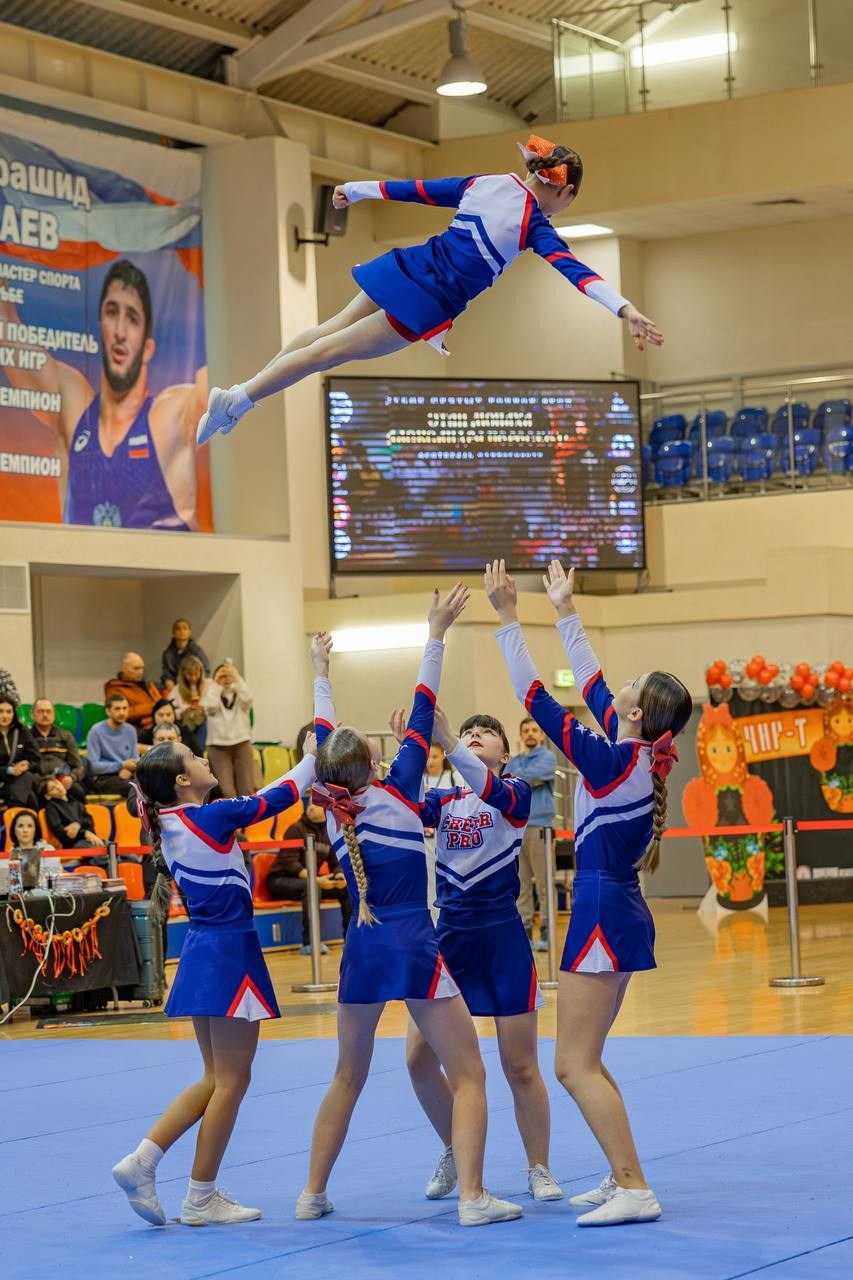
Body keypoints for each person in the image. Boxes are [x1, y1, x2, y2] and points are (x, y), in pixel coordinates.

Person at [297, 591, 522, 1228]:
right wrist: (436, 630)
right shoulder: (399, 790)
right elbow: (423, 704)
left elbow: (322, 739)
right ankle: (474, 1198)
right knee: (470, 1072)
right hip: (417, 944)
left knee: (347, 1075)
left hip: (362, 948)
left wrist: (320, 672)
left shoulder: (333, 812)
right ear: (376, 761)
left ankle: (310, 1193)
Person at [197, 134, 663, 442]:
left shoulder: (485, 183)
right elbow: (577, 272)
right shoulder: (534, 225)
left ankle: (241, 395)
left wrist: (358, 189)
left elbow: (418, 188)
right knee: (328, 353)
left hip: (409, 266)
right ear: (566, 193)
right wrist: (625, 309)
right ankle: (237, 399)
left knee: (327, 331)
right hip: (425, 301)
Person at [485, 558, 692, 1227]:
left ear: (633, 713)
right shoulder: (630, 752)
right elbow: (595, 680)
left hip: (603, 908)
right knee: (588, 1056)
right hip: (614, 904)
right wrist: (565, 607)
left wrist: (508, 618)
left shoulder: (609, 761)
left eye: (625, 690)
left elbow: (535, 698)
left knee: (571, 1064)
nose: (611, 691)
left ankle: (634, 1186)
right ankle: (618, 1172)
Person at [112, 736, 319, 1227]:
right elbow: (281, 796)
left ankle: (143, 1161)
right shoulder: (208, 816)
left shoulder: (169, 822)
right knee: (232, 1079)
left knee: (215, 1077)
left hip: (207, 947)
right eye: (196, 758)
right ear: (183, 780)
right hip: (228, 948)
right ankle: (200, 1195)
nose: (207, 760)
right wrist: (311, 755)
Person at [394, 703, 562, 1206]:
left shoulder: (513, 794)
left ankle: (539, 1166)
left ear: (505, 754)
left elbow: (484, 786)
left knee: (521, 1065)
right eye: (468, 731)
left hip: (501, 937)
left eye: (485, 733)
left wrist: (446, 736)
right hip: (449, 937)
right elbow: (400, 803)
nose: (474, 735)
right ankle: (454, 1145)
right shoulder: (442, 799)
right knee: (418, 1060)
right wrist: (411, 747)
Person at [0, 259, 206, 529]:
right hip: (80, 571)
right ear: (101, 330)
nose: (120, 331)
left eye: (132, 319)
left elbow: (216, 393)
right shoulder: (74, 410)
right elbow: (6, 324)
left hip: (158, 571)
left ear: (147, 348)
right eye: (112, 313)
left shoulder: (168, 415)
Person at [265, 796, 353, 955]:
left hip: (311, 879)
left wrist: (339, 877)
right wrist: (317, 880)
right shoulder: (295, 829)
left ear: (327, 808)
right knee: (312, 888)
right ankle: (310, 943)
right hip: (279, 881)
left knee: (346, 889)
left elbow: (336, 863)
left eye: (316, 804)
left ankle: (351, 939)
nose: (311, 807)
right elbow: (290, 864)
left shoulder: (329, 832)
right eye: (310, 803)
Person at [508, 716, 557, 951]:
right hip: (517, 829)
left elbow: (521, 780)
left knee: (545, 884)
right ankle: (525, 932)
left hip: (540, 828)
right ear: (521, 734)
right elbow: (508, 780)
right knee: (522, 886)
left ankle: (548, 933)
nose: (529, 733)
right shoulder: (515, 760)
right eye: (525, 730)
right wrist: (522, 775)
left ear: (541, 735)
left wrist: (520, 775)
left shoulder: (548, 757)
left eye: (534, 730)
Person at [202, 663, 255, 798]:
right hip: (217, 746)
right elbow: (209, 706)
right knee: (226, 791)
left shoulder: (240, 690)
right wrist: (216, 684)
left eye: (229, 675)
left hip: (242, 742)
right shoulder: (212, 692)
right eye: (222, 675)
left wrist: (237, 679)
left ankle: (248, 818)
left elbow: (248, 700)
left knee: (246, 788)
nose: (225, 678)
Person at [30, 698, 86, 798]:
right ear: (32, 715)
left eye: (48, 711)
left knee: (78, 792)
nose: (45, 715)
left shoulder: (66, 736)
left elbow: (78, 766)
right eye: (40, 711)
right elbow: (25, 767)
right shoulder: (27, 737)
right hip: (38, 782)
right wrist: (46, 782)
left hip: (62, 779)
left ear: (54, 715)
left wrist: (71, 778)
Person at [86, 694, 139, 796]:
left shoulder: (131, 730)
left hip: (127, 773)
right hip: (104, 778)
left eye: (125, 708)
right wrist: (121, 765)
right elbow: (94, 766)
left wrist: (128, 768)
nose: (122, 713)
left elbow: (135, 758)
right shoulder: (96, 731)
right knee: (134, 788)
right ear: (108, 711)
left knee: (151, 784)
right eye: (117, 709)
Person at [43, 776, 103, 852]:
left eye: (56, 783)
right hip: (75, 844)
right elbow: (61, 832)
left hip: (91, 838)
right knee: (104, 853)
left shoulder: (76, 802)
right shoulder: (51, 807)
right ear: (47, 796)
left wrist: (78, 824)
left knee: (114, 848)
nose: (58, 787)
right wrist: (83, 833)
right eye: (52, 788)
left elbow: (89, 821)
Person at [0, 697, 40, 811]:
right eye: (1, 711)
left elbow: (36, 759)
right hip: (3, 781)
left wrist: (26, 765)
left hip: (21, 778)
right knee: (30, 797)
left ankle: (15, 809)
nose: (5, 716)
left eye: (8, 712)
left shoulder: (22, 731)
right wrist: (10, 770)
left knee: (25, 777)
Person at [104, 653, 161, 731]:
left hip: (157, 725)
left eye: (142, 668)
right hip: (136, 730)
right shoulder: (114, 688)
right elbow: (122, 712)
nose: (140, 672)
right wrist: (152, 707)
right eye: (136, 668)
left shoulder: (148, 684)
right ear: (124, 669)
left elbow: (161, 704)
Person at [168, 655, 208, 753]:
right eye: (190, 675)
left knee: (202, 723)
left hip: (204, 723)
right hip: (185, 724)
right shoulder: (176, 690)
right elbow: (171, 710)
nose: (194, 678)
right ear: (183, 674)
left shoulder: (209, 685)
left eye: (196, 674)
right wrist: (184, 710)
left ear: (201, 672)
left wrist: (203, 708)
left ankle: (198, 753)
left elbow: (215, 705)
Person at [161, 618, 210, 690]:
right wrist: (173, 690)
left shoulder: (197, 651)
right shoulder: (168, 653)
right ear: (173, 633)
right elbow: (167, 674)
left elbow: (205, 670)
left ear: (190, 632)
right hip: (175, 688)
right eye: (178, 629)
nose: (181, 631)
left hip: (194, 686)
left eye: (185, 628)